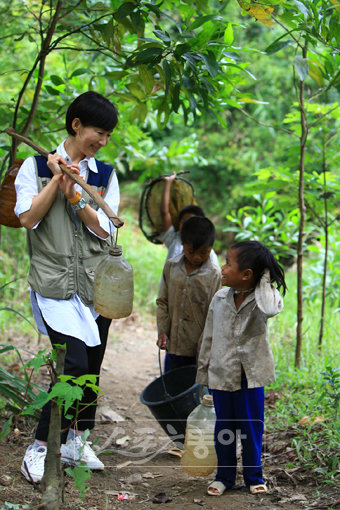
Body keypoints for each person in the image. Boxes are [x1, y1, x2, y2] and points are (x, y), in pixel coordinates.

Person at [14, 91, 120, 483]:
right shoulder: (34, 168)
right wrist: (58, 177)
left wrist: (77, 195)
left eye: (108, 135)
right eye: (98, 131)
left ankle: (78, 440)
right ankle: (40, 447)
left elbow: (105, 228)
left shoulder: (105, 175)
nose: (103, 141)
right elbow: (28, 218)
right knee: (71, 365)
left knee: (91, 368)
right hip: (54, 285)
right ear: (76, 125)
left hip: (95, 287)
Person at [196, 240, 287, 496]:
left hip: (252, 377)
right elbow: (209, 338)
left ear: (246, 275)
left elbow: (271, 307)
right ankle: (224, 476)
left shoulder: (263, 300)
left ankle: (253, 475)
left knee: (250, 427)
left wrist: (264, 274)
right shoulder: (220, 298)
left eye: (228, 263)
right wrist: (204, 372)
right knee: (224, 428)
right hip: (222, 374)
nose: (222, 268)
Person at [156, 216, 221, 373]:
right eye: (191, 251)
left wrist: (205, 352)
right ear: (182, 244)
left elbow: (215, 316)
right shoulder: (171, 267)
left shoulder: (214, 276)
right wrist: (163, 331)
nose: (197, 257)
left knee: (197, 393)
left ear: (211, 248)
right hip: (174, 346)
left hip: (198, 352)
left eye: (204, 252)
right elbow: (162, 301)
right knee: (171, 387)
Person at [156, 172, 219, 267]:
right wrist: (168, 183)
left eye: (193, 223)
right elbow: (164, 212)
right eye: (184, 222)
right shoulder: (174, 238)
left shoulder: (209, 254)